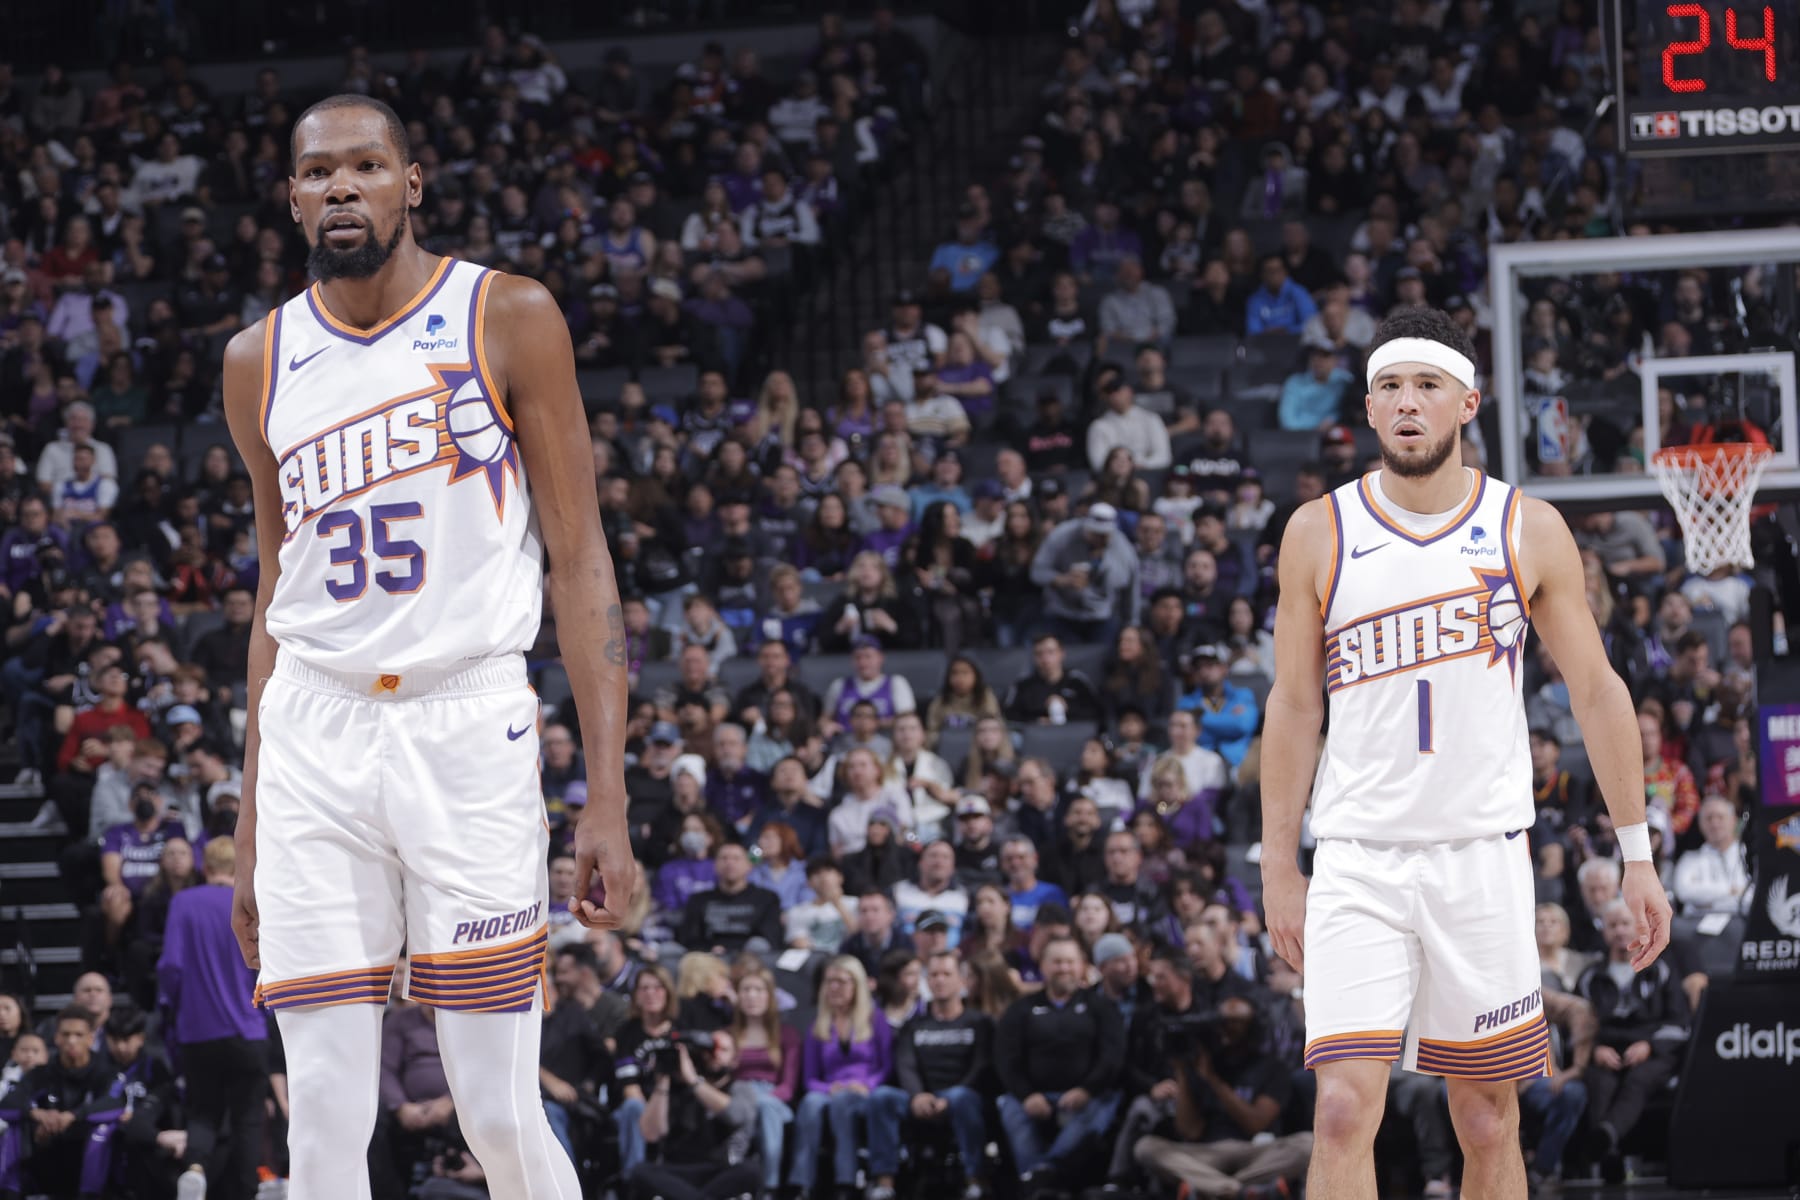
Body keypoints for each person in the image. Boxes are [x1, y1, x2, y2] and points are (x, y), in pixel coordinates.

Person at [223, 95, 635, 1200]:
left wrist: (609, 798)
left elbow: (581, 557)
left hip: (466, 719)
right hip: (314, 729)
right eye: (319, 173)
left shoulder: (507, 315)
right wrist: (250, 819)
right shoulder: (257, 361)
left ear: (413, 183)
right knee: (320, 1121)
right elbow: (277, 593)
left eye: (366, 166)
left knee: (498, 1109)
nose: (341, 187)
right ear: (293, 196)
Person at [1260, 307, 1670, 1199]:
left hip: (1480, 857)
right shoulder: (1317, 532)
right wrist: (1277, 866)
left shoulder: (1527, 526)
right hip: (1358, 860)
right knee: (1338, 1111)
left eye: (1427, 386)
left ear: (1467, 403)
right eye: (1390, 388)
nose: (1408, 403)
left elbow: (1597, 691)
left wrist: (1637, 858)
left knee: (1488, 1117)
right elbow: (1294, 705)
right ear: (1369, 410)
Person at [157, 837, 268, 1200]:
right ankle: (256, 1186)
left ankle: (194, 1169)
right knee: (249, 1118)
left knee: (202, 1111)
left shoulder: (184, 902)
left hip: (197, 1030)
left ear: (205, 867)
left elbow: (171, 966)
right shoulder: (252, 904)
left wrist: (172, 1007)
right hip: (249, 1029)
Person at [1132, 993, 1311, 1200]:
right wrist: (1181, 1071)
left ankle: (1208, 1186)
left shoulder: (1272, 1068)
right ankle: (1236, 1190)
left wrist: (1213, 1080)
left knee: (1307, 1143)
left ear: (1254, 1026)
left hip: (1255, 1151)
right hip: (1205, 1152)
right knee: (1145, 1148)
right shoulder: (1202, 1062)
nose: (1228, 1028)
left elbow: (1255, 1123)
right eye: (1223, 1022)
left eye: (1236, 1022)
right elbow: (1190, 1130)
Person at [993, 936, 1124, 1195]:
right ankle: (1041, 1178)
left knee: (1105, 1103)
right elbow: (1006, 1059)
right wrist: (1027, 1095)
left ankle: (1042, 1175)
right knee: (1010, 1107)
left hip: (1089, 1095)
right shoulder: (1021, 1009)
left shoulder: (1102, 1007)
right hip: (1033, 1097)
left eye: (1069, 962)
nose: (1063, 968)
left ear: (1082, 965)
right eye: (1057, 962)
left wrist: (1087, 1089)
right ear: (1042, 966)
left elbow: (1112, 1057)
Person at [1574, 900, 1691, 1174]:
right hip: (1606, 1048)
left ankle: (1606, 1137)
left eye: (1625, 924)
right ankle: (1609, 1154)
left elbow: (1680, 1023)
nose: (1619, 931)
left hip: (1653, 1049)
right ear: (1604, 931)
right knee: (1600, 1082)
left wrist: (1650, 1045)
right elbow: (1579, 1025)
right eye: (1612, 925)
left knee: (1639, 1079)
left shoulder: (1661, 969)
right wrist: (1595, 1050)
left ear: (1639, 928)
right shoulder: (1590, 976)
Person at [868, 950, 995, 1200]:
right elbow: (906, 1064)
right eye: (934, 974)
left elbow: (982, 1066)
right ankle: (884, 1183)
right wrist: (917, 1096)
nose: (939, 980)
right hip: (921, 1099)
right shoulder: (914, 1024)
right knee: (881, 1097)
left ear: (962, 981)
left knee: (962, 1097)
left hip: (962, 1097)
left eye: (947, 974)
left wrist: (951, 1097)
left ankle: (975, 1180)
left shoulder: (980, 1023)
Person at [790, 956, 894, 1199]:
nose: (834, 988)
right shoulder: (818, 1024)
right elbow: (810, 1078)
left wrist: (867, 1085)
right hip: (830, 1091)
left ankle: (845, 1182)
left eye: (841, 982)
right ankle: (801, 1184)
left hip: (865, 1091)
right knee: (810, 1103)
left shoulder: (875, 1019)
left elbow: (887, 1067)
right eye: (829, 982)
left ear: (857, 985)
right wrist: (829, 1088)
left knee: (842, 1104)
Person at [628, 1029, 761, 1200]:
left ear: (735, 1059)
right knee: (640, 1172)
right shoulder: (675, 1088)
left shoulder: (741, 1088)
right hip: (676, 1171)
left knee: (751, 1171)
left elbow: (736, 1115)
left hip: (719, 1170)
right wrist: (663, 1081)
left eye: (723, 1050)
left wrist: (694, 1080)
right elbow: (650, 1134)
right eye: (710, 1049)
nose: (715, 1054)